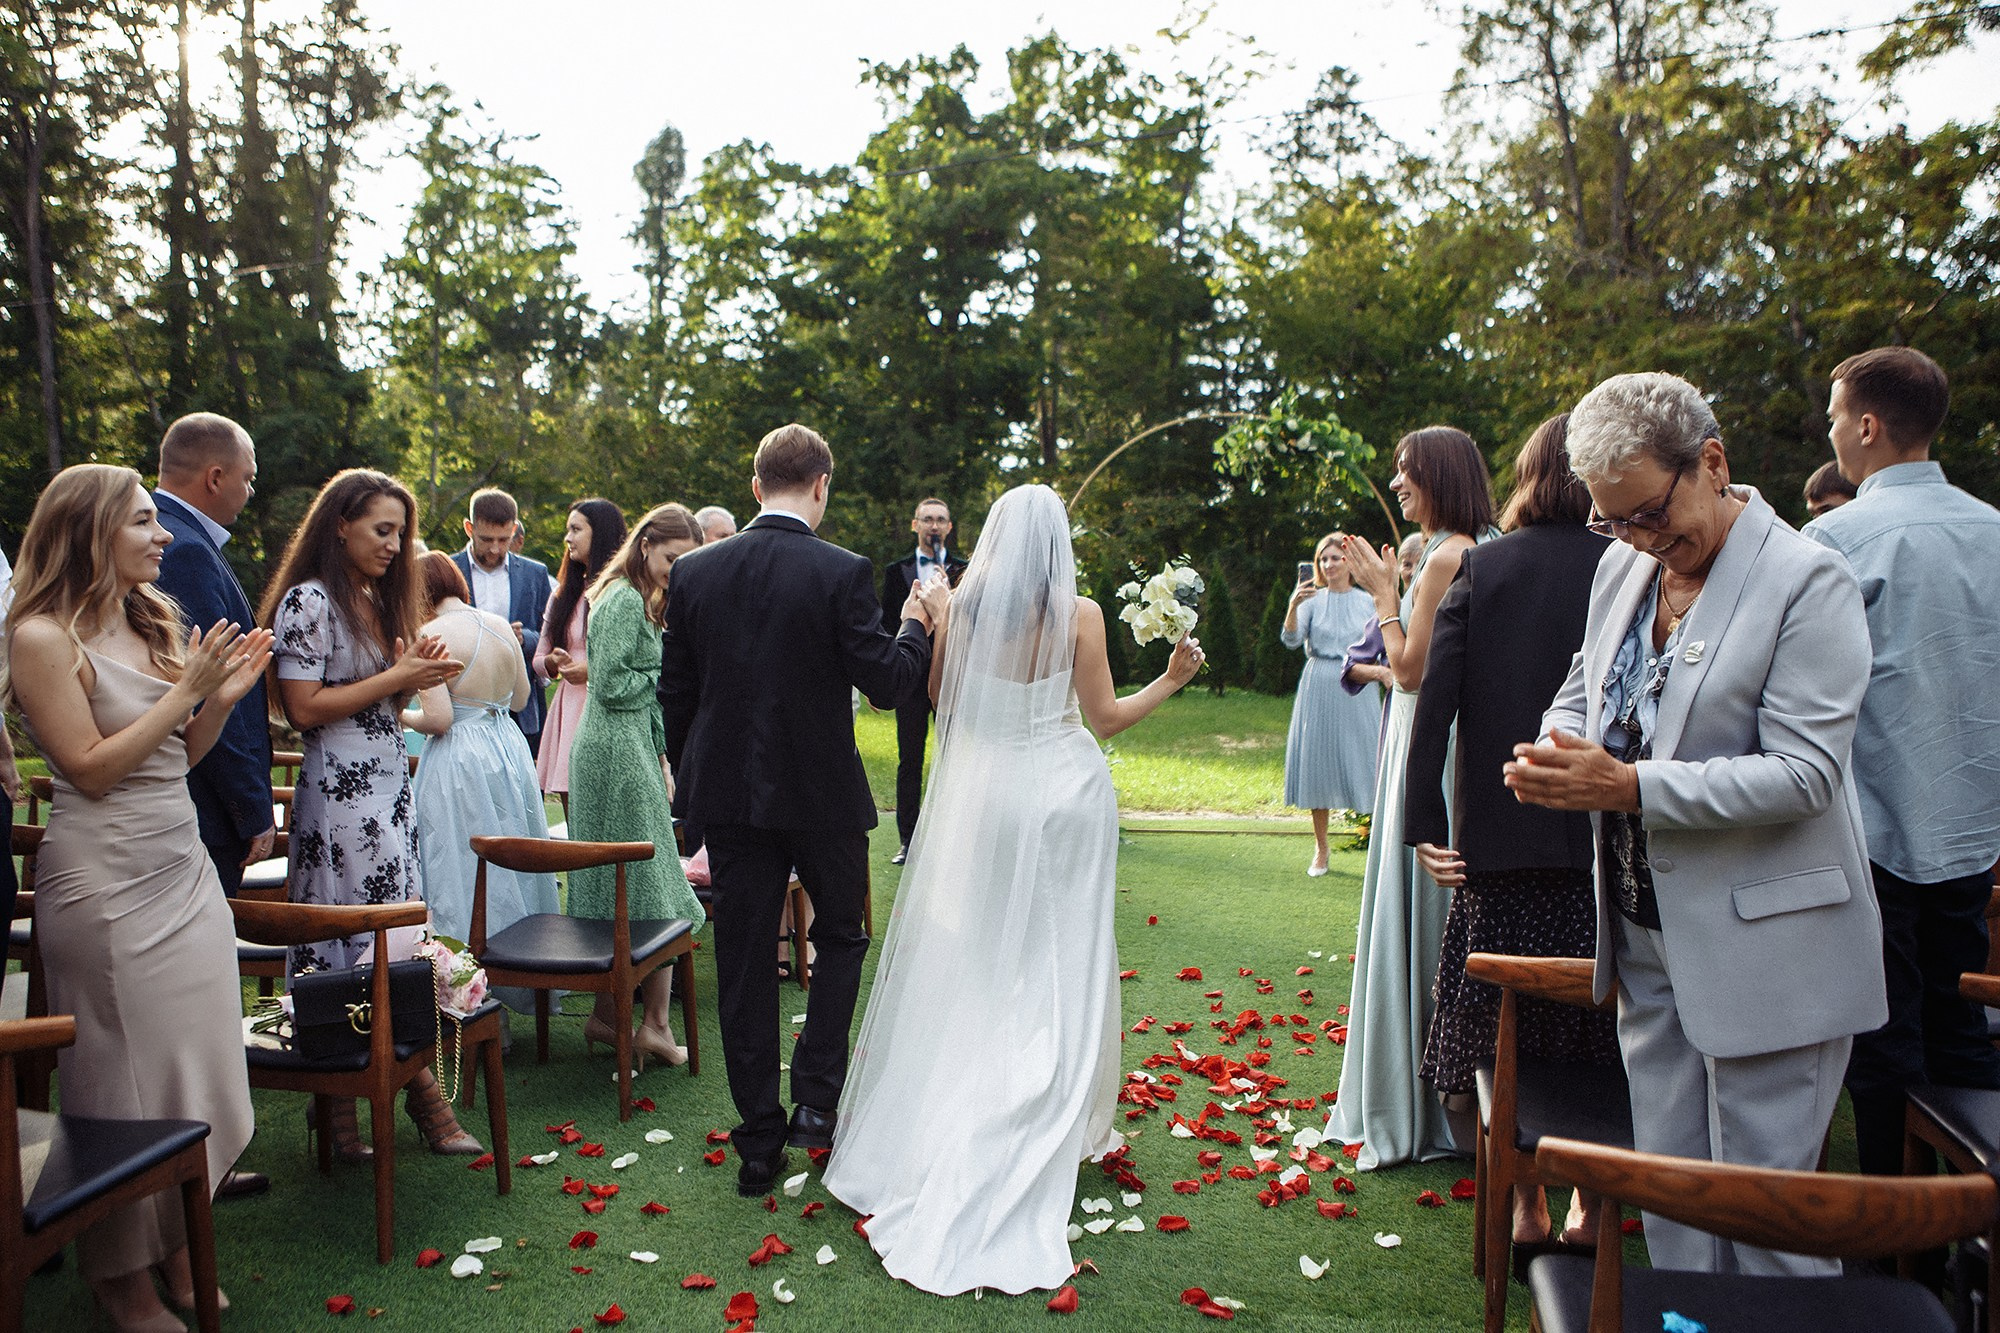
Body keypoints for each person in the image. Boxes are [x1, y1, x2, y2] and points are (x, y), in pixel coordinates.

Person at [1505, 371, 1884, 1276]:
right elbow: (1582, 687)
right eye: (1612, 521)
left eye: (1649, 512)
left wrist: (1629, 785)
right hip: (1645, 931)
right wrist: (1556, 747)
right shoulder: (1621, 565)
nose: (1639, 537)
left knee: (1765, 1222)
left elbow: (1806, 774)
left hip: (1770, 945)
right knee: (1671, 1196)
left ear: (1712, 461)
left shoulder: (1808, 579)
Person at [824, 483, 1203, 1295]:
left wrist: (938, 620)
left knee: (988, 956)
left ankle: (974, 1096)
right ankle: (1042, 1099)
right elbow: (1104, 717)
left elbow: (937, 698)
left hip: (989, 798)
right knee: (1062, 957)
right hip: (1065, 797)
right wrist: (1172, 678)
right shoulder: (1080, 614)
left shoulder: (959, 606)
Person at [3, 465, 267, 1331]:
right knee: (121, 1077)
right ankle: (119, 1272)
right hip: (106, 879)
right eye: (146, 521)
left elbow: (174, 758)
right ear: (90, 530)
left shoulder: (153, 617)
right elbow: (88, 769)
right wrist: (190, 692)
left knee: (197, 1062)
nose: (163, 537)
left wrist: (216, 704)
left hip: (181, 865)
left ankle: (183, 1240)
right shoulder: (42, 637)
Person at [659, 423, 944, 1199]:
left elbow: (676, 696)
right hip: (823, 799)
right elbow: (888, 682)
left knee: (744, 958)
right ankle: (816, 1101)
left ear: (757, 486)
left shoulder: (694, 572)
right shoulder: (842, 571)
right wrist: (916, 624)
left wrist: (697, 784)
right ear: (822, 485)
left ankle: (758, 1142)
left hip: (731, 801)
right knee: (841, 935)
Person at [1403, 414, 1618, 1250]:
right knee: (1600, 1020)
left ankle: (1525, 1202)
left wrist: (1426, 822)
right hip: (1606, 836)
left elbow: (1435, 702)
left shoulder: (1483, 567)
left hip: (1497, 838)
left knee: (1505, 1021)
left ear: (1527, 475)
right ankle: (1590, 1203)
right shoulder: (1629, 566)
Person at [1802, 347, 2000, 1177]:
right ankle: (1976, 1212)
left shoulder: (1834, 538)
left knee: (1881, 1038)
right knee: (1961, 1029)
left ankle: (1898, 1233)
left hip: (1871, 830)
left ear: (1868, 425)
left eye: (1835, 417)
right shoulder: (1994, 530)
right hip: (1974, 829)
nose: (1832, 432)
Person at [262, 468, 482, 1161]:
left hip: (387, 788)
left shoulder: (374, 600)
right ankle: (358, 1101)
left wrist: (417, 674)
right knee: (348, 934)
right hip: (340, 798)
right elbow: (303, 708)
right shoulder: (309, 601)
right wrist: (398, 677)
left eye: (400, 532)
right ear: (340, 525)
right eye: (382, 530)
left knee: (396, 933)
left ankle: (394, 1085)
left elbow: (380, 701)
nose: (394, 545)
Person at [1324, 426, 1494, 1170]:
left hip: (1429, 731)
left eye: (1406, 471)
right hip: (1435, 733)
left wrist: (1385, 595)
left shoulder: (1452, 553)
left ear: (1439, 475)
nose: (1396, 483)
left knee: (1423, 906)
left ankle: (1420, 1101)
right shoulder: (1467, 544)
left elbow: (1409, 669)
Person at [566, 502, 706, 1066]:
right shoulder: (624, 599)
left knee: (627, 881)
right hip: (614, 752)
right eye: (672, 558)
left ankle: (616, 1017)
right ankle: (652, 1024)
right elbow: (612, 685)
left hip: (623, 747)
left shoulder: (639, 597)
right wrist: (667, 671)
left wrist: (661, 752)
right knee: (650, 883)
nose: (677, 571)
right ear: (645, 545)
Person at [404, 551, 556, 954]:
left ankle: (464, 960)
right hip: (508, 745)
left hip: (460, 755)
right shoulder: (501, 625)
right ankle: (525, 952)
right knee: (513, 848)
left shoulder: (429, 636)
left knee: (458, 859)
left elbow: (439, 719)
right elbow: (521, 699)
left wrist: (401, 714)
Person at [150, 412, 274, 906]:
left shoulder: (175, 536)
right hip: (201, 803)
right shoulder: (183, 550)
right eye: (248, 478)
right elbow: (206, 688)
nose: (250, 491)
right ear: (215, 477)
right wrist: (250, 807)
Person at [1281, 533, 1381, 875]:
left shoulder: (1368, 601)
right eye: (1323, 559)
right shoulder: (1310, 599)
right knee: (1318, 763)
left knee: (1368, 760)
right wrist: (1293, 605)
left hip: (1358, 683)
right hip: (1319, 684)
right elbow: (1291, 640)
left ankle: (1378, 845)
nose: (1328, 564)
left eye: (1335, 558)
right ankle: (1321, 849)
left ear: (1349, 561)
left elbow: (1381, 643)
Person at [879, 497, 966, 865]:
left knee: (954, 756)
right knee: (909, 759)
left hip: (951, 675)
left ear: (949, 527)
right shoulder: (895, 571)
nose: (934, 525)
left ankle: (953, 837)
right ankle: (908, 840)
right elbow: (886, 625)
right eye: (927, 519)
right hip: (911, 676)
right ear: (915, 525)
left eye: (940, 520)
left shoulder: (965, 570)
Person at [534, 498, 626, 801]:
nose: (567, 538)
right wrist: (553, 661)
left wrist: (591, 670)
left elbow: (641, 658)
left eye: (576, 529)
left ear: (600, 533)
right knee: (573, 807)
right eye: (568, 530)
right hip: (570, 707)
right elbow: (539, 659)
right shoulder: (562, 595)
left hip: (609, 709)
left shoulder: (625, 592)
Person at [451, 488, 553, 757]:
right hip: (461, 705)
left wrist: (524, 638)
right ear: (469, 528)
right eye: (486, 539)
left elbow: (551, 637)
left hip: (521, 705)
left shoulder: (535, 574)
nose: (495, 548)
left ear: (514, 530)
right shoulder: (447, 571)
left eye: (503, 539)